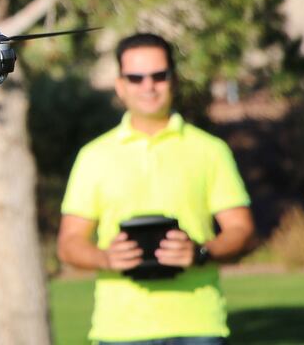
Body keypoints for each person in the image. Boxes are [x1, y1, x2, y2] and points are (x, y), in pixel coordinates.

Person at [57, 33, 255, 344]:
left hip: (199, 328)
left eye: (158, 76)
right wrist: (106, 258)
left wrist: (200, 252)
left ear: (173, 80)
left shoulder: (210, 150)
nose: (148, 86)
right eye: (136, 78)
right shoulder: (93, 156)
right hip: (119, 331)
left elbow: (242, 230)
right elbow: (69, 243)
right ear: (120, 85)